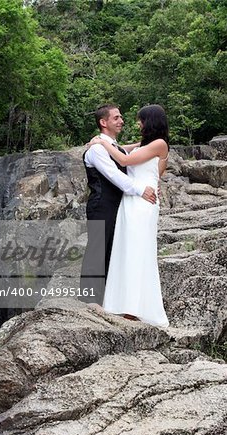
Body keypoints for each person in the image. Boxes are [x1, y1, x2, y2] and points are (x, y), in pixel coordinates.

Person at [88, 104, 169, 327]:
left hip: (143, 201)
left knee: (138, 252)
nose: (136, 124)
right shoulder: (146, 145)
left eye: (140, 120)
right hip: (131, 201)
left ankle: (134, 307)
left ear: (150, 121)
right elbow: (122, 150)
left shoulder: (160, 144)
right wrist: (102, 143)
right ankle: (119, 303)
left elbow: (124, 160)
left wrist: (102, 142)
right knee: (125, 251)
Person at [80, 104, 157, 305]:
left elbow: (126, 150)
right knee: (97, 250)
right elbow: (114, 175)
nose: (121, 120)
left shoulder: (113, 147)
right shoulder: (97, 149)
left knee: (111, 250)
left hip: (116, 205)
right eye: (116, 118)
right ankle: (89, 302)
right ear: (103, 123)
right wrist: (140, 190)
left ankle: (104, 299)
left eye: (121, 117)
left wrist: (152, 142)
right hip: (101, 204)